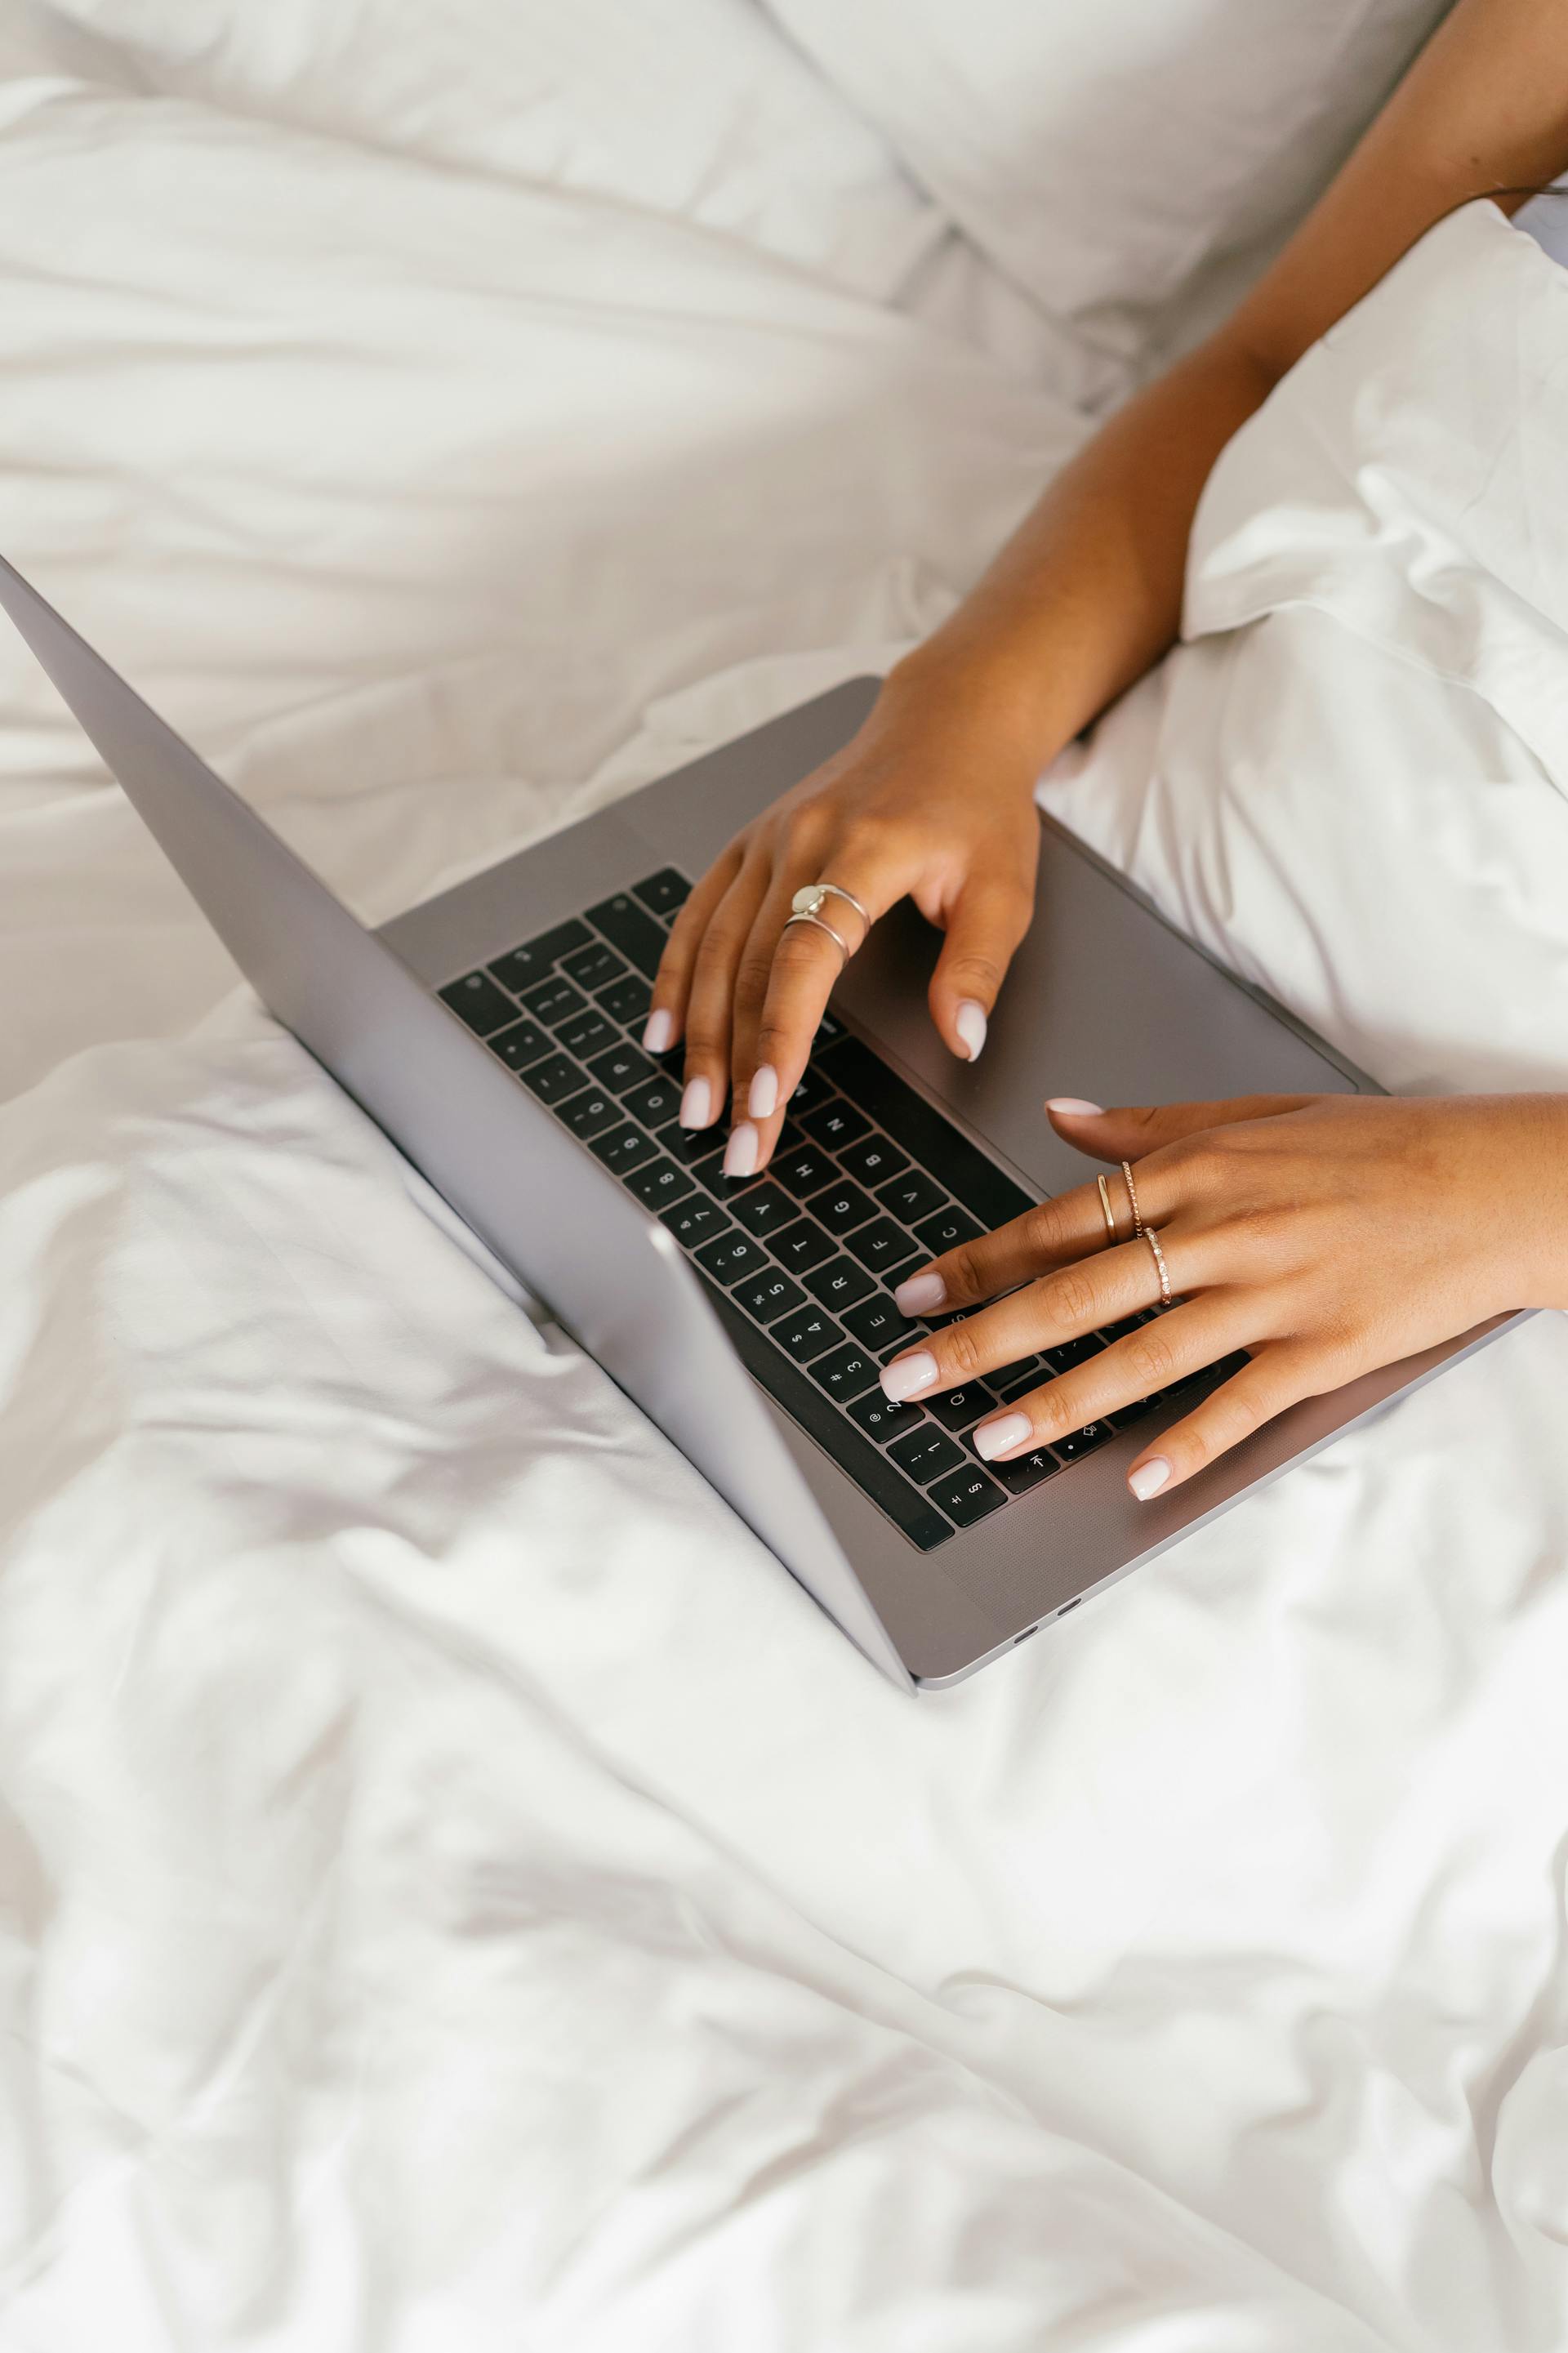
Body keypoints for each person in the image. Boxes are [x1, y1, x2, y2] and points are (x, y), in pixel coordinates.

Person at [643, 0, 1568, 1506]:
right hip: (1058, 928)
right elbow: (1267, 361)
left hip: (1459, 1292)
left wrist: (1503, 1201)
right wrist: (959, 720)